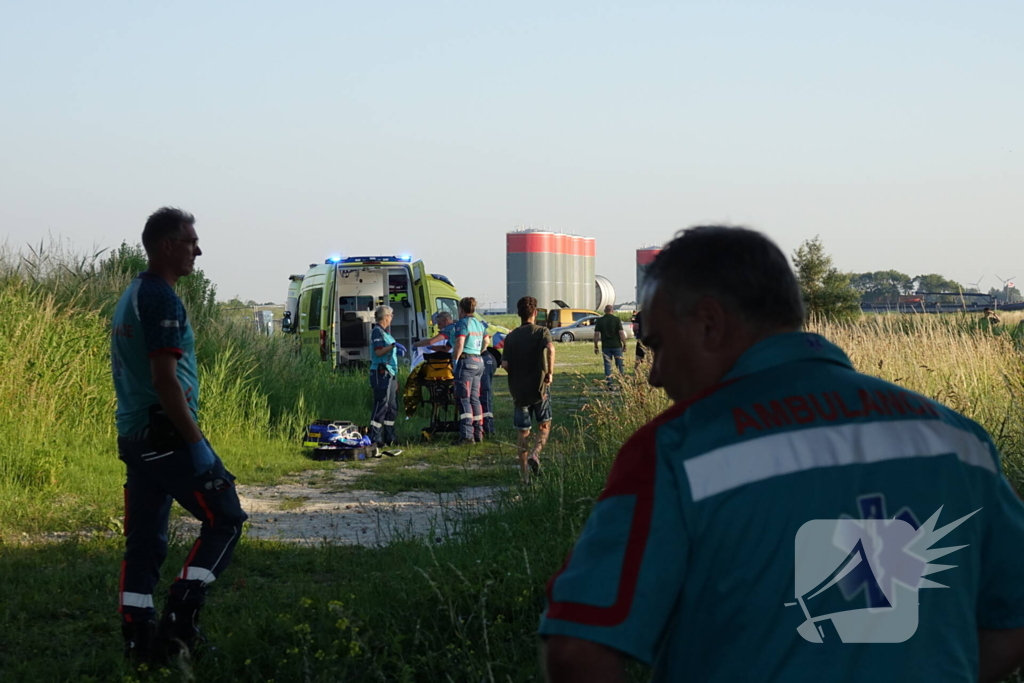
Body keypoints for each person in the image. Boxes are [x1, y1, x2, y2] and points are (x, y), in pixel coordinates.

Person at [539, 226, 1024, 682]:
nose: (655, 375)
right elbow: (1012, 624)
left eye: (659, 345)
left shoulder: (676, 450)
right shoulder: (960, 442)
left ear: (710, 324)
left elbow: (578, 648)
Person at [111, 207, 248, 664]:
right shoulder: (161, 298)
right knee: (225, 517)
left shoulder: (132, 293)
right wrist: (198, 447)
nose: (198, 250)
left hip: (135, 434)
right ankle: (179, 622)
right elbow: (166, 380)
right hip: (164, 434)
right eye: (191, 241)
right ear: (166, 246)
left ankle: (138, 638)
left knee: (145, 540)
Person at [502, 296, 555, 482]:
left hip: (519, 392)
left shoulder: (511, 337)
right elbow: (550, 349)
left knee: (522, 432)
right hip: (539, 389)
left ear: (519, 314)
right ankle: (536, 453)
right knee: (544, 425)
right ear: (535, 313)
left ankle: (524, 477)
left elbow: (505, 364)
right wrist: (549, 372)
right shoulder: (541, 331)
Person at [450, 297, 489, 444]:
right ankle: (478, 432)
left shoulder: (462, 323)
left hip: (466, 362)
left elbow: (459, 342)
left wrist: (455, 360)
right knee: (475, 398)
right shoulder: (479, 324)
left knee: (463, 397)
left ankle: (467, 435)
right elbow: (487, 341)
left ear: (461, 309)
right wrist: (479, 351)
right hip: (478, 361)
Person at [369, 305, 404, 447]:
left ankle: (390, 436)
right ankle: (375, 436)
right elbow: (378, 352)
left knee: (392, 406)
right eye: (391, 315)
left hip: (390, 373)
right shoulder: (377, 331)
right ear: (385, 316)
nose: (392, 317)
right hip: (380, 372)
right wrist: (393, 346)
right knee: (381, 403)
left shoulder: (386, 333)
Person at [593, 305, 627, 381]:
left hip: (606, 346)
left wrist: (596, 346)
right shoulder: (616, 320)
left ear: (604, 311)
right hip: (616, 345)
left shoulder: (600, 321)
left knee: (607, 365)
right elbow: (621, 333)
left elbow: (596, 334)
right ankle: (622, 382)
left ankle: (609, 384)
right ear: (612, 311)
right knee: (619, 365)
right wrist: (624, 344)